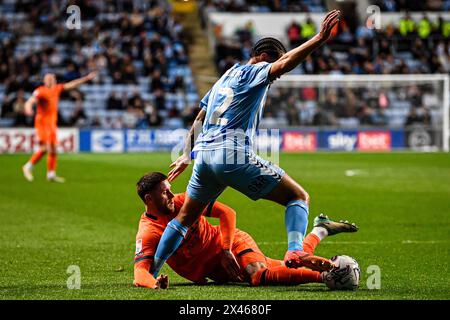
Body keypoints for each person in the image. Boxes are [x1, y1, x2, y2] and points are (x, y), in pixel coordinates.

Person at [151, 10, 342, 279]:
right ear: (264, 57)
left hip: (204, 157)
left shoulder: (224, 77)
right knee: (298, 197)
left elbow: (200, 116)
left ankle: (152, 272)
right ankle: (296, 250)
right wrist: (320, 38)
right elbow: (286, 62)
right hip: (231, 154)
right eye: (271, 65)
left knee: (184, 219)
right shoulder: (255, 71)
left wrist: (185, 155)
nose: (273, 75)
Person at [134, 172, 358, 289]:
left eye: (170, 190)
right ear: (149, 199)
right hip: (218, 271)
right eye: (165, 193)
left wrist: (225, 248)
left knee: (258, 275)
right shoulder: (148, 232)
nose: (173, 195)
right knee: (286, 265)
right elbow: (140, 272)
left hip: (232, 246)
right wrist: (154, 284)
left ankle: (328, 276)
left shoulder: (185, 201)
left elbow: (227, 213)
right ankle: (320, 230)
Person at [22, 71, 97, 182]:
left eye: (51, 78)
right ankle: (28, 166)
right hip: (42, 123)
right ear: (44, 81)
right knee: (46, 148)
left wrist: (86, 78)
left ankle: (51, 174)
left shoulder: (57, 89)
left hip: (52, 123)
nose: (50, 80)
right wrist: (28, 108)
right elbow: (30, 101)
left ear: (55, 80)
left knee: (53, 149)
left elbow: (72, 84)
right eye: (47, 79)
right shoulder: (40, 91)